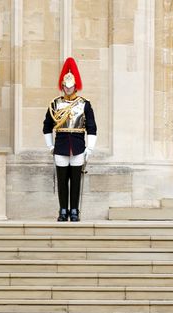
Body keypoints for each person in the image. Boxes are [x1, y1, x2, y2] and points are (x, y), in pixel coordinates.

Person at [43, 57, 97, 222]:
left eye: (71, 85)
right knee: (61, 180)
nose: (68, 88)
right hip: (60, 145)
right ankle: (62, 209)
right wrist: (50, 145)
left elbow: (92, 127)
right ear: (62, 86)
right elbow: (47, 126)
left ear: (75, 85)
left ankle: (74, 210)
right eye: (65, 86)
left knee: (75, 180)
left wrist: (90, 148)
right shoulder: (55, 104)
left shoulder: (84, 104)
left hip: (78, 145)